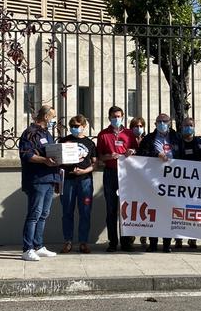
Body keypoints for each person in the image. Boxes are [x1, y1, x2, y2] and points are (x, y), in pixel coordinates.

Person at [18, 105, 60, 262]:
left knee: (44, 214)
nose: (54, 120)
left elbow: (51, 152)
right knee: (34, 214)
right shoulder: (30, 133)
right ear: (46, 117)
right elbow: (26, 155)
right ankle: (27, 249)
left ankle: (38, 245)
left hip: (49, 178)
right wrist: (44, 160)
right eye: (53, 117)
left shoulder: (47, 133)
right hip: (37, 179)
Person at [138, 113, 183, 252]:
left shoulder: (176, 138)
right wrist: (156, 155)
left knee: (168, 210)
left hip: (171, 179)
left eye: (164, 121)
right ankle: (153, 243)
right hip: (153, 178)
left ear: (169, 123)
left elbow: (182, 155)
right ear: (155, 123)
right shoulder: (149, 139)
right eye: (159, 121)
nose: (162, 123)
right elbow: (142, 154)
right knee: (154, 210)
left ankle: (166, 244)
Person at [96, 106, 136, 252]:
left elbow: (136, 151)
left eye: (118, 116)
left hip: (126, 174)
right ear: (109, 118)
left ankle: (127, 242)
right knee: (111, 208)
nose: (116, 119)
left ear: (123, 117)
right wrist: (108, 156)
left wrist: (132, 151)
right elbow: (99, 156)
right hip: (110, 173)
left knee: (126, 208)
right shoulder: (103, 135)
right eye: (114, 116)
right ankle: (113, 242)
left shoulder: (129, 134)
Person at [58, 115, 97, 254]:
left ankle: (83, 242)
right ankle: (68, 241)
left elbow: (95, 163)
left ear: (84, 126)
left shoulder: (90, 143)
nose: (75, 128)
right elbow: (56, 160)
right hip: (67, 180)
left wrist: (84, 171)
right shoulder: (64, 141)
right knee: (67, 212)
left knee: (85, 212)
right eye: (72, 125)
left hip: (85, 180)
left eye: (77, 125)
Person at [176, 117, 201, 249]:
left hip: (196, 184)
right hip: (180, 183)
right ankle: (178, 238)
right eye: (186, 125)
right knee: (178, 211)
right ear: (181, 127)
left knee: (194, 211)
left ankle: (192, 238)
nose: (188, 127)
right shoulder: (177, 142)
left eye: (191, 125)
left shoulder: (200, 142)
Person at [129, 116, 148, 246]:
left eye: (141, 126)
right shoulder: (128, 139)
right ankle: (130, 235)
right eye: (136, 126)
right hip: (130, 178)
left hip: (145, 178)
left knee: (146, 207)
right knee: (131, 207)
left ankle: (144, 235)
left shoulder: (147, 140)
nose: (138, 128)